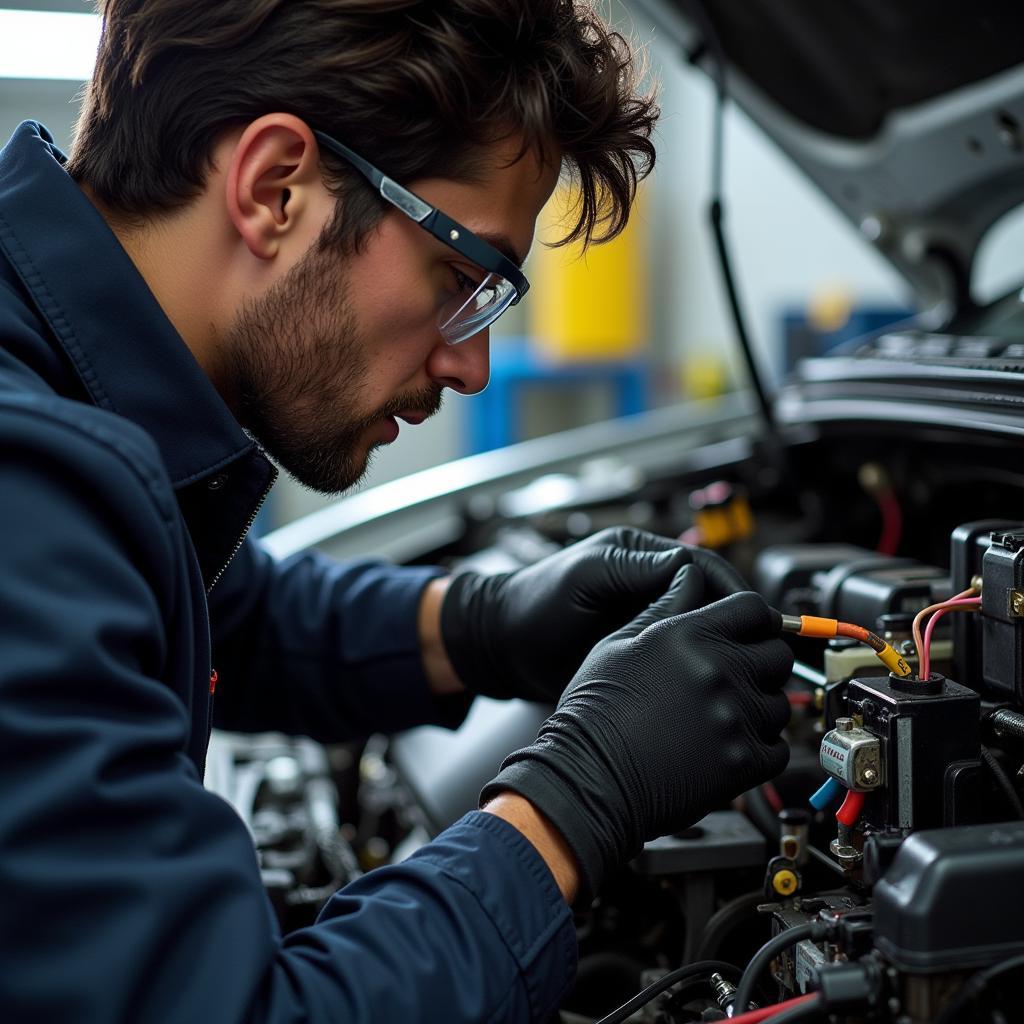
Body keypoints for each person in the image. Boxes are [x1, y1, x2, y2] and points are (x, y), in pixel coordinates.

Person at [0, 1, 793, 1021]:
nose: (470, 363)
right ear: (275, 187)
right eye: (463, 278)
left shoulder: (60, 389)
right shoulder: (26, 486)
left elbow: (227, 614)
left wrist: (481, 625)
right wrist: (572, 807)